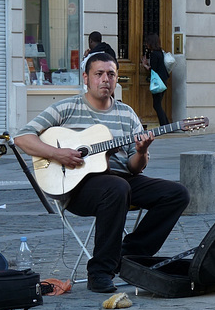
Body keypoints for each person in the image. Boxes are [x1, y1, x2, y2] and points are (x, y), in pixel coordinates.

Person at [14, 52, 190, 293]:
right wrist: (57, 154)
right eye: (99, 74)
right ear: (86, 78)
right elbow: (22, 137)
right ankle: (99, 272)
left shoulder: (127, 114)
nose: (105, 79)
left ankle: (128, 256)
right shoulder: (67, 108)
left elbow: (133, 168)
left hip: (122, 181)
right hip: (79, 188)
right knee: (117, 188)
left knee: (177, 193)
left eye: (111, 74)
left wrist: (142, 151)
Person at [141, 33, 169, 126]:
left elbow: (153, 69)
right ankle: (167, 124)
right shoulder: (160, 52)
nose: (146, 44)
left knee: (156, 105)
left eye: (147, 42)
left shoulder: (153, 54)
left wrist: (145, 65)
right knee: (158, 104)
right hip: (163, 80)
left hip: (158, 82)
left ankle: (164, 126)